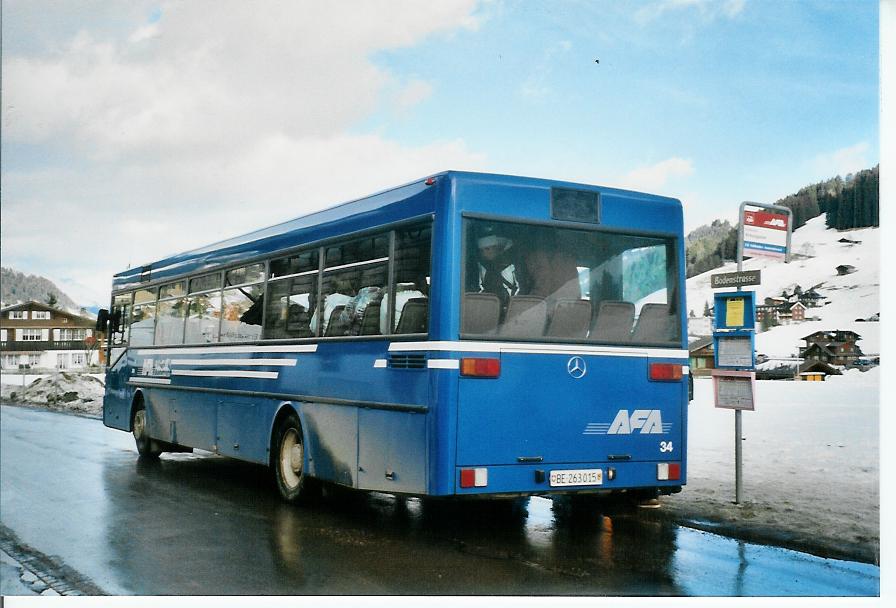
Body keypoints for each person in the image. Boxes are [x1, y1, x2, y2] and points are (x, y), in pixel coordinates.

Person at [475, 229, 519, 315]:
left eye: (487, 249)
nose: (485, 253)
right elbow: (479, 290)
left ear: (497, 248)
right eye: (482, 251)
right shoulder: (481, 267)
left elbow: (519, 289)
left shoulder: (512, 265)